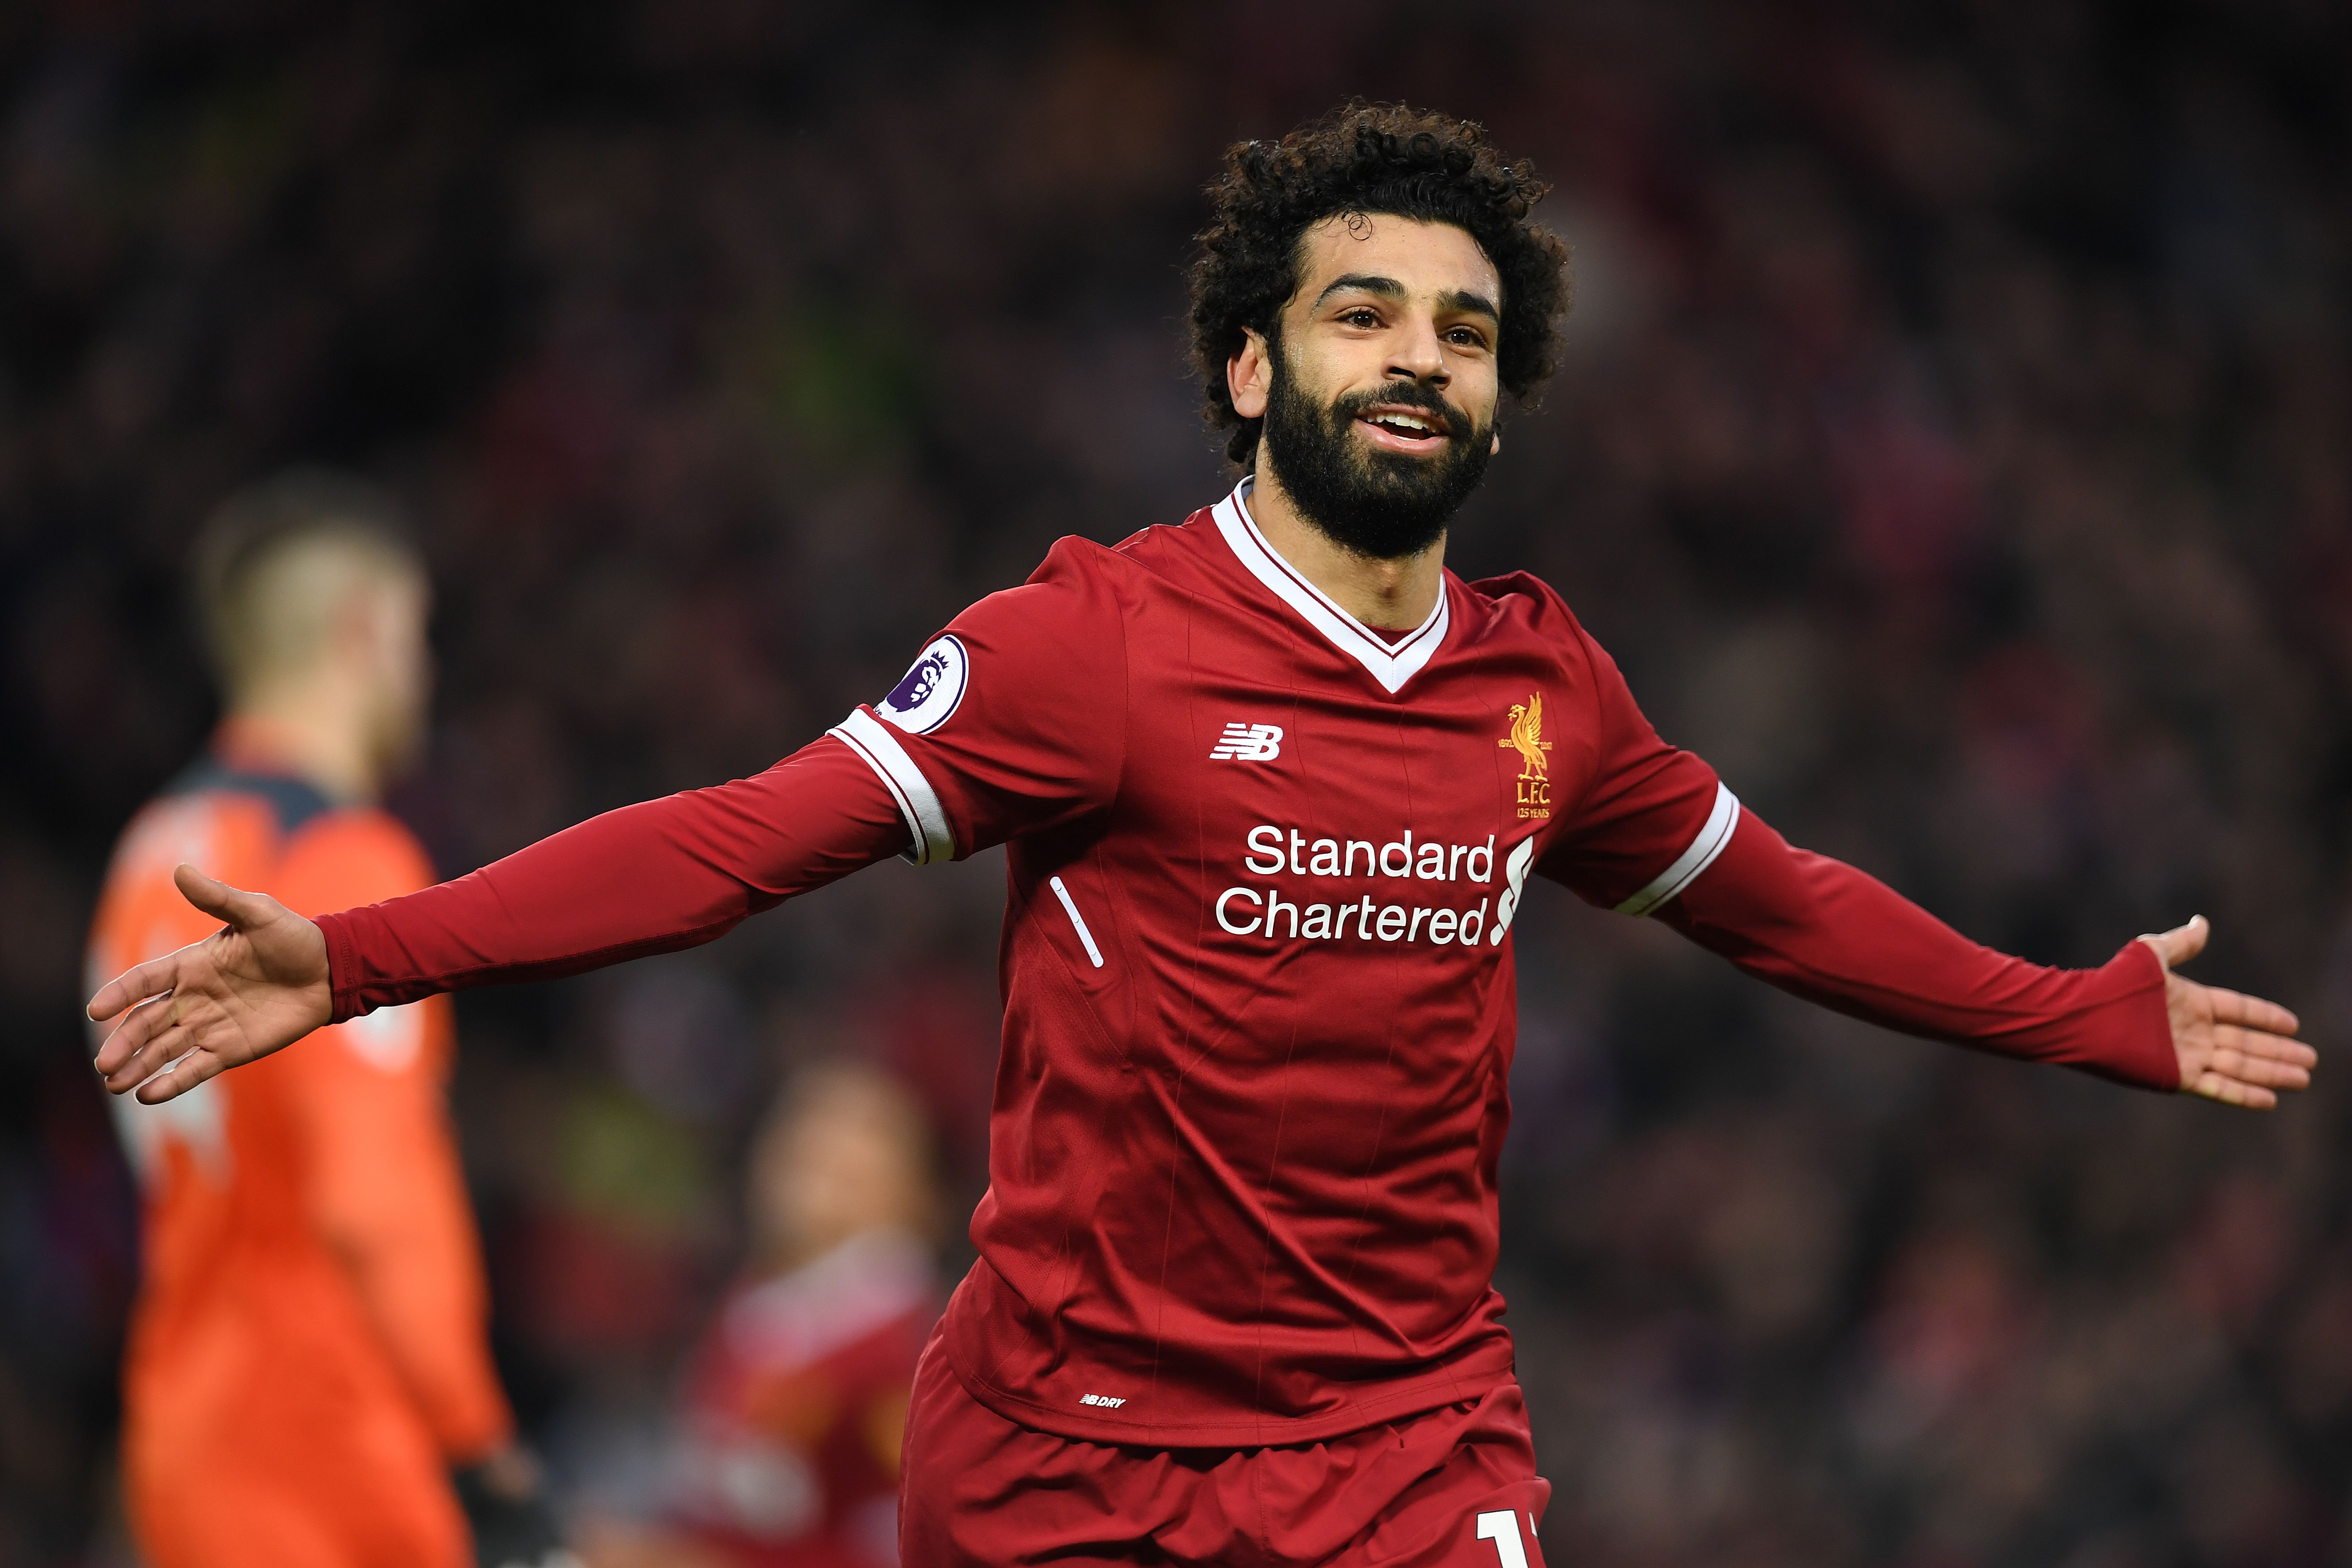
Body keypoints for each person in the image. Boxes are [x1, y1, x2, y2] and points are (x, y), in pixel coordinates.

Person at [88, 106, 2313, 1568]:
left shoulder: (1548, 695)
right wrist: (369, 953)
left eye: (1460, 326)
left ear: (1505, 393)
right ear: (1252, 368)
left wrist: (2078, 1016)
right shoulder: (1093, 649)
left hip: (1411, 1446)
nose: (1414, 358)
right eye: (1360, 314)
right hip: (1074, 1462)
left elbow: (1786, 904)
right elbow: (747, 835)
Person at [84, 472, 572, 1568]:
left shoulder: (152, 850)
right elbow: (371, 1195)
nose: (428, 672)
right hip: (337, 1466)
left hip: (186, 1439)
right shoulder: (342, 866)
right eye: (421, 635)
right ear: (367, 628)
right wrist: (481, 1455)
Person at [584, 1062, 941, 1568]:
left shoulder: (911, 1350)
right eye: (805, 1124)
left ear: (915, 1192)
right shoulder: (762, 1306)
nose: (819, 1143)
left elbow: (894, 1546)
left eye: (856, 1136)